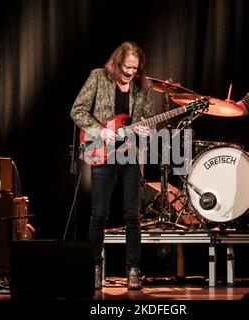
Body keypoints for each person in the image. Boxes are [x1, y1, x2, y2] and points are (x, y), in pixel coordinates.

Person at [70, 41, 154, 290]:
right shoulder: (98, 77)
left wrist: (146, 129)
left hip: (130, 154)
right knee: (99, 214)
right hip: (102, 152)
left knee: (132, 216)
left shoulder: (143, 86)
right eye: (127, 67)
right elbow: (77, 111)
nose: (130, 72)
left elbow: (148, 120)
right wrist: (99, 131)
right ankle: (94, 267)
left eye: (134, 68)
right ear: (118, 63)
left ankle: (133, 270)